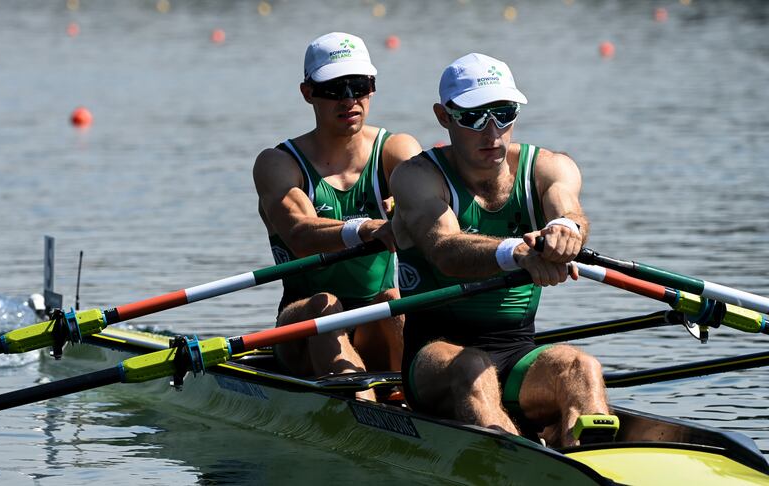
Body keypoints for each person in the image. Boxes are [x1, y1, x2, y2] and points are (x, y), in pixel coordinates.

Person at [390, 53, 613, 446]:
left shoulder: (549, 167)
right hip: (434, 357)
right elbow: (445, 248)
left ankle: (593, 460)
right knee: (471, 367)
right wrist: (516, 254)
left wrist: (566, 231)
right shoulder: (417, 177)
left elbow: (569, 209)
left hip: (517, 354)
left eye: (504, 113)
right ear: (444, 116)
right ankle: (522, 461)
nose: (492, 132)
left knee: (582, 368)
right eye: (474, 116)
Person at [253, 32, 422, 401]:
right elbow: (299, 233)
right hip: (301, 327)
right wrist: (366, 228)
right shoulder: (278, 164)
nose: (349, 99)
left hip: (374, 326)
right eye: (334, 88)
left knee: (395, 298)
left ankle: (408, 399)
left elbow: (435, 213)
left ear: (373, 88)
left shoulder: (397, 150)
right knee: (326, 304)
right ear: (307, 92)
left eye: (360, 85)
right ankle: (366, 409)